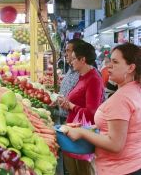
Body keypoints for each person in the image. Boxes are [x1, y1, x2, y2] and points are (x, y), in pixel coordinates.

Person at [61, 43, 141, 175]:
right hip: (133, 164)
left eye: (115, 62)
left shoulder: (121, 98)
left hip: (119, 169)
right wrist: (92, 128)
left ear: (131, 67)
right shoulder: (135, 89)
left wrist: (82, 132)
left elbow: (115, 144)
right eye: (110, 61)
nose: (108, 65)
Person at [57, 41, 104, 175]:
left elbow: (91, 113)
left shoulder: (93, 79)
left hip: (81, 137)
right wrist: (66, 102)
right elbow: (80, 101)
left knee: (81, 171)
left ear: (82, 59)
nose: (70, 62)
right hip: (74, 132)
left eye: (73, 59)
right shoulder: (82, 76)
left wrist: (71, 106)